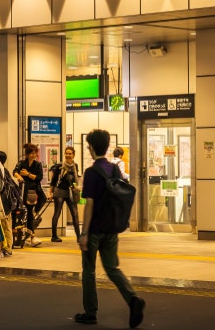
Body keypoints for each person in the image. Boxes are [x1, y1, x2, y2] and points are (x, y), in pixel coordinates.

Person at [75, 129, 144, 327]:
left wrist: (84, 233)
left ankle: (91, 312)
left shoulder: (90, 172)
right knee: (112, 268)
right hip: (112, 227)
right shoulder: (114, 170)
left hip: (95, 229)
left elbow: (89, 204)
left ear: (91, 147)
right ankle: (133, 299)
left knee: (88, 270)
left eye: (88, 145)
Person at [14, 143, 45, 247]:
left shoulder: (38, 165)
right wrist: (19, 176)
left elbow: (39, 178)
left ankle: (32, 236)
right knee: (21, 214)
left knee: (30, 214)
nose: (33, 155)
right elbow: (15, 171)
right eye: (31, 153)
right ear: (27, 154)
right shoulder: (21, 163)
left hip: (32, 193)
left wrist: (27, 174)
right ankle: (20, 236)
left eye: (35, 153)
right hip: (22, 192)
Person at [50, 145, 81, 242]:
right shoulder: (59, 166)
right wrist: (50, 192)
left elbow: (75, 180)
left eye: (70, 153)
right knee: (57, 213)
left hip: (71, 192)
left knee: (75, 214)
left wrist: (76, 189)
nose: (68, 155)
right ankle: (54, 236)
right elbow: (54, 180)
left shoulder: (75, 166)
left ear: (74, 155)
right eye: (66, 153)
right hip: (59, 191)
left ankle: (79, 237)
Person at [0, 151, 15, 256]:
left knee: (5, 225)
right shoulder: (4, 170)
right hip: (6, 202)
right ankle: (6, 247)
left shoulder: (2, 171)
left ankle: (7, 248)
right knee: (4, 225)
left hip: (4, 203)